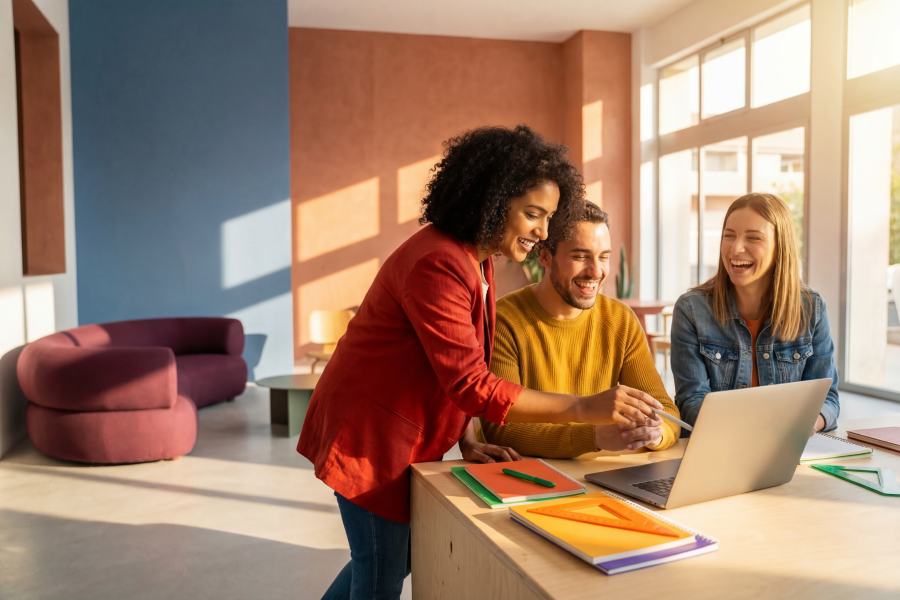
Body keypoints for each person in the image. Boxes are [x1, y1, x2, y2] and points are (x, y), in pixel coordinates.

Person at [297, 125, 664, 600]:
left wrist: (465, 434)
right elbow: (473, 383)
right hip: (369, 435)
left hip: (395, 428)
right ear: (492, 202)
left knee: (390, 558)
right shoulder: (438, 262)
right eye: (533, 214)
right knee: (381, 570)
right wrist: (584, 407)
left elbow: (456, 358)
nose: (543, 231)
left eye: (549, 217)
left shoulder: (478, 257)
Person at [481, 200, 682, 456]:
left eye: (603, 257)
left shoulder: (621, 320)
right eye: (580, 256)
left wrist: (656, 434)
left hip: (604, 475)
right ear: (544, 255)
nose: (596, 271)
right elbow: (501, 428)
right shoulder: (505, 320)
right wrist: (594, 436)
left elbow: (666, 412)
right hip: (532, 480)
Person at [670, 192, 840, 432]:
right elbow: (691, 401)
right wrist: (755, 431)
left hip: (789, 447)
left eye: (753, 238)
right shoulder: (691, 309)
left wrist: (808, 424)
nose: (736, 248)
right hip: (720, 447)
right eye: (729, 236)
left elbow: (828, 399)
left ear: (781, 246)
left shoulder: (811, 308)